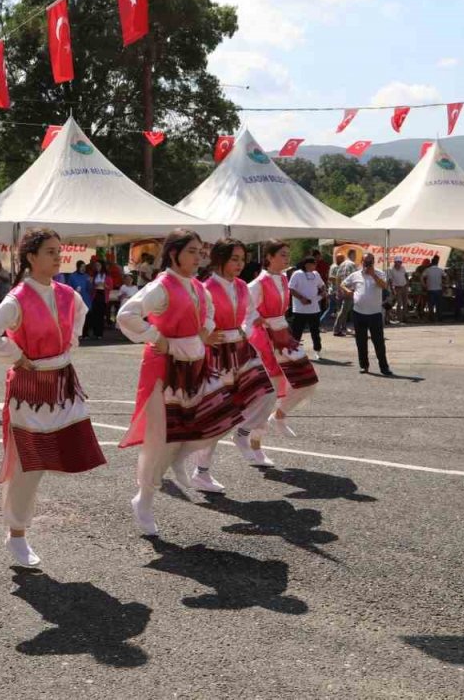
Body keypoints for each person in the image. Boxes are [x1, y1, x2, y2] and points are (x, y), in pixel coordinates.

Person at [0, 228, 107, 566]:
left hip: (62, 383)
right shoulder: (18, 298)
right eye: (50, 251)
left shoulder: (66, 294)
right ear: (30, 257)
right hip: (30, 388)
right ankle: (17, 534)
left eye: (59, 250)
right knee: (28, 464)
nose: (58, 256)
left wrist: (69, 345)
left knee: (60, 454)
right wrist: (15, 354)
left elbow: (80, 317)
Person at [116, 228, 240, 536]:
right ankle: (143, 499)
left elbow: (209, 312)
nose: (198, 257)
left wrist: (202, 331)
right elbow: (126, 314)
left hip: (195, 363)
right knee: (160, 438)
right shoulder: (162, 286)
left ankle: (179, 459)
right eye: (192, 252)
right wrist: (155, 337)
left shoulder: (198, 286)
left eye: (200, 252)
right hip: (165, 369)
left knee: (215, 418)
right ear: (174, 254)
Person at [190, 238, 277, 488]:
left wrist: (251, 327)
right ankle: (201, 472)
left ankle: (243, 434)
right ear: (220, 259)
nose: (240, 264)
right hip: (216, 353)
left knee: (266, 394)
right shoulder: (206, 287)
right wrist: (206, 333)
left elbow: (249, 313)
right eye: (234, 259)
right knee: (217, 414)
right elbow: (201, 318)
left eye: (242, 259)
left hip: (241, 348)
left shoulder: (241, 286)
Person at [248, 240, 320, 436]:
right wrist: (258, 320)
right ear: (269, 257)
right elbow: (245, 310)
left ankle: (279, 415)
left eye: (288, 254)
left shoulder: (283, 279)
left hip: (284, 334)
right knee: (269, 391)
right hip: (266, 338)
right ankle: (254, 443)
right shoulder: (257, 284)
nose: (287, 258)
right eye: (282, 254)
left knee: (308, 381)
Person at [342, 253, 392, 376]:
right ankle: (364, 365)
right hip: (359, 313)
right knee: (361, 341)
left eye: (369, 262)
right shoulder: (355, 275)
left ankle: (384, 367)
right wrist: (348, 291)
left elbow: (384, 286)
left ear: (373, 262)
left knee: (379, 342)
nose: (367, 264)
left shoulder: (380, 273)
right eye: (365, 262)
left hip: (374, 313)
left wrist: (373, 275)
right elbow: (342, 284)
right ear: (362, 262)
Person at [287, 255, 326, 358]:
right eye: (314, 264)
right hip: (300, 310)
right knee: (297, 332)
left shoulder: (316, 274)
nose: (315, 266)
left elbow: (322, 284)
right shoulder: (297, 274)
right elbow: (291, 289)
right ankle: (293, 352)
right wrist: (301, 298)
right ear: (307, 264)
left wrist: (323, 291)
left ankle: (317, 351)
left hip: (314, 309)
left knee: (315, 332)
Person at [331, 249, 358, 336]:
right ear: (352, 254)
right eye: (355, 255)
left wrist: (338, 290)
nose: (355, 257)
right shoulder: (352, 264)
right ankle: (336, 329)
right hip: (349, 290)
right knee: (344, 310)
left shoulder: (342, 264)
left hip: (341, 290)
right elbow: (354, 278)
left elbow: (337, 278)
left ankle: (343, 328)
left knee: (343, 310)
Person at [87, 259, 109, 339]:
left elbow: (110, 286)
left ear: (102, 266)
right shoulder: (95, 275)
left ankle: (100, 333)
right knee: (95, 314)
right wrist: (93, 285)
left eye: (98, 265)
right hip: (96, 295)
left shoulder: (106, 275)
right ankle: (95, 332)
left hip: (103, 294)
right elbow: (92, 286)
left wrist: (104, 285)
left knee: (101, 314)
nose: (97, 267)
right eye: (96, 266)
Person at [422, 255, 446, 323]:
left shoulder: (427, 270)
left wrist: (424, 284)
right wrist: (444, 284)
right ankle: (440, 318)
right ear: (437, 263)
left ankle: (431, 318)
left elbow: (421, 277)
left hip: (430, 289)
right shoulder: (440, 270)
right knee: (439, 305)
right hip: (438, 289)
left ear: (431, 263)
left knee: (431, 305)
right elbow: (446, 277)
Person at [388, 257, 409, 324]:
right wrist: (392, 289)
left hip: (404, 287)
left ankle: (405, 317)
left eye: (400, 262)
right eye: (398, 262)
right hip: (397, 288)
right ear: (395, 262)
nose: (399, 263)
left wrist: (407, 283)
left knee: (405, 303)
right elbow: (390, 281)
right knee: (399, 303)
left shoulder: (403, 268)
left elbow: (406, 275)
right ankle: (399, 318)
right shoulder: (391, 270)